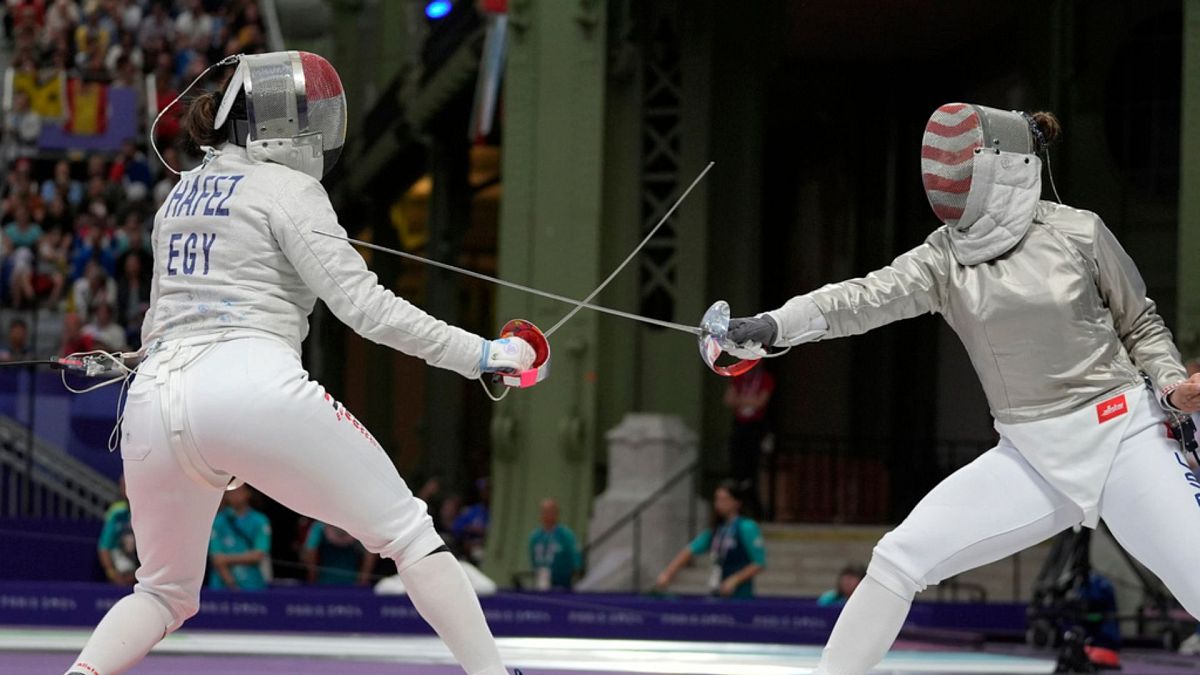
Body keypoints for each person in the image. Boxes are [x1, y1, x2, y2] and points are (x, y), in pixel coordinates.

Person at [64, 50, 534, 675]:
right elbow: (366, 307)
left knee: (161, 592)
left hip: (151, 402)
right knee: (409, 534)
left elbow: (159, 327)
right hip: (250, 385)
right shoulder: (288, 187)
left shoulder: (177, 200)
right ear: (269, 122)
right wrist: (483, 354)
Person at [722, 104, 1200, 674]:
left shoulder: (1079, 230)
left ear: (1002, 164)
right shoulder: (943, 258)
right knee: (899, 557)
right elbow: (858, 298)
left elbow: (1140, 322)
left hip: (1123, 432)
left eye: (954, 163)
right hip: (1029, 453)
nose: (941, 178)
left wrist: (1171, 387)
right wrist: (775, 327)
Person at [655, 480, 766, 599]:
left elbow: (759, 563)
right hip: (717, 590)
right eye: (717, 499)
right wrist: (668, 573)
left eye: (724, 499)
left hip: (740, 595)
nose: (719, 504)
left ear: (736, 503)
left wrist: (735, 580)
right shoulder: (716, 530)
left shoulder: (747, 527)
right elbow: (690, 550)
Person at [722, 367, 774, 512]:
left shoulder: (765, 379)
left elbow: (760, 402)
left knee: (753, 468)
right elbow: (728, 399)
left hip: (756, 427)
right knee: (737, 466)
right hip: (739, 426)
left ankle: (756, 506)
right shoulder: (739, 377)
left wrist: (741, 400)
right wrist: (749, 400)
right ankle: (738, 501)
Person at [207, 484, 271, 592]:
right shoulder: (217, 521)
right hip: (221, 587)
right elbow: (217, 558)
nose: (234, 495)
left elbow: (258, 555)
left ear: (248, 493)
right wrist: (232, 585)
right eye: (230, 492)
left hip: (252, 585)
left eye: (238, 491)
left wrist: (226, 558)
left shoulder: (260, 520)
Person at [527, 498, 581, 591]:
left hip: (563, 584)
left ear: (556, 514)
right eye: (544, 512)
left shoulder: (566, 535)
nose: (547, 515)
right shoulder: (535, 537)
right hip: (541, 581)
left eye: (551, 512)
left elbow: (575, 558)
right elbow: (533, 558)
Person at [302, 521, 376, 586]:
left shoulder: (360, 527)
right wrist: (312, 578)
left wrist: (363, 580)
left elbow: (370, 554)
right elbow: (310, 551)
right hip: (323, 582)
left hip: (351, 584)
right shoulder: (319, 526)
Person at [97, 477, 138, 586]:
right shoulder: (117, 512)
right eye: (123, 486)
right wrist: (111, 572)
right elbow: (104, 547)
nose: (126, 489)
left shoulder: (150, 510)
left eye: (129, 484)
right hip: (124, 558)